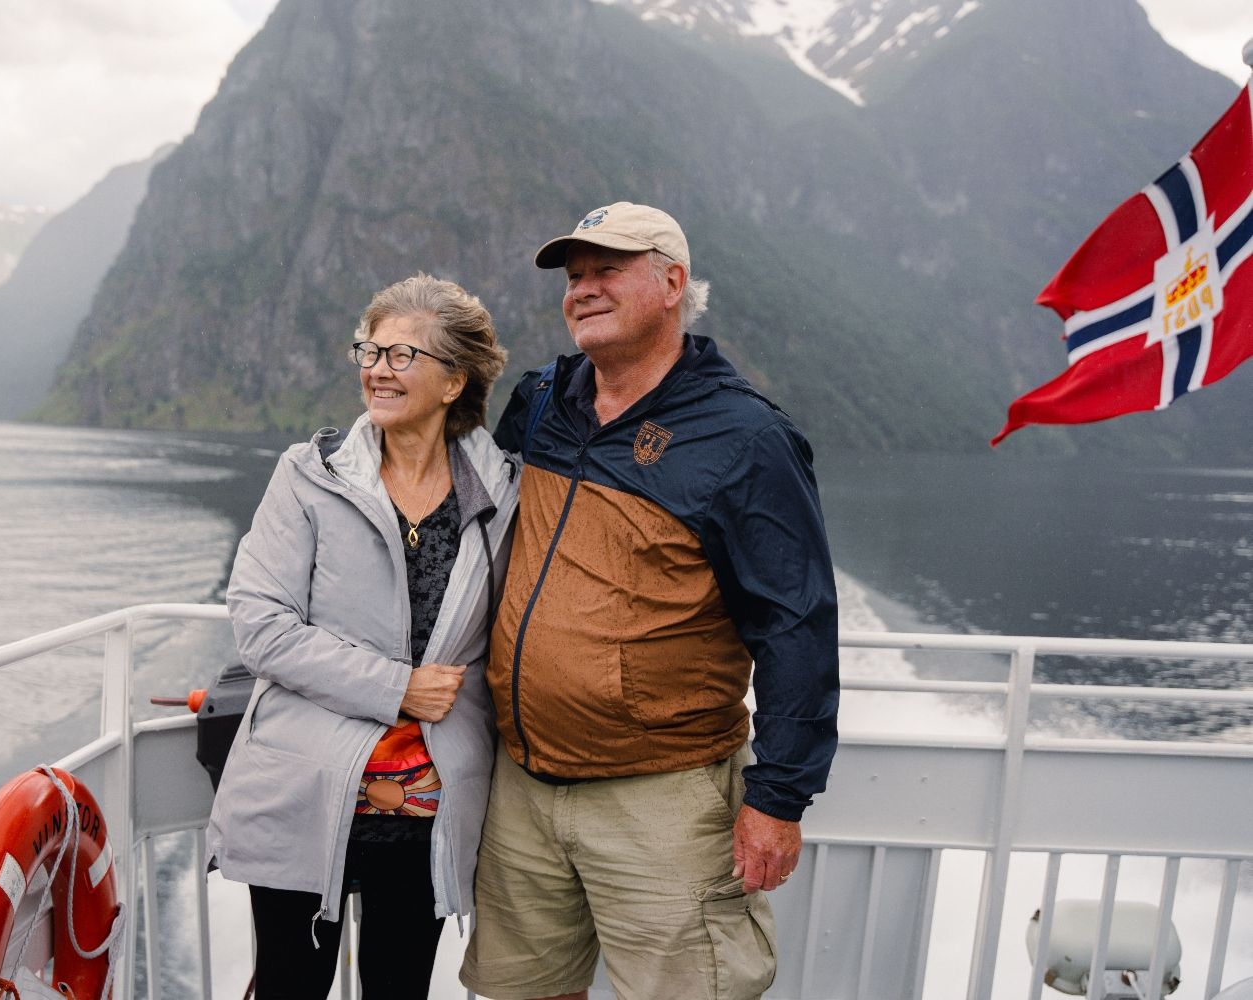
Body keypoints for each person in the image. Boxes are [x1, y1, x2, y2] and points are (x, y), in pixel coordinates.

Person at [459, 203, 840, 1000]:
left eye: (607, 270)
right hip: (523, 786)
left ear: (672, 284)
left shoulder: (745, 438)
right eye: (575, 277)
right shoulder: (542, 401)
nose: (584, 290)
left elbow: (796, 625)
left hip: (661, 798)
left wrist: (777, 797)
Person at [206, 273, 516, 999]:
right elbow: (261, 624)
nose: (377, 368)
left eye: (403, 355)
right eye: (369, 351)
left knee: (399, 990)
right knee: (288, 987)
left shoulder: (504, 494)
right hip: (306, 791)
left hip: (430, 805)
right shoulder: (307, 476)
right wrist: (398, 687)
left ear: (452, 383)